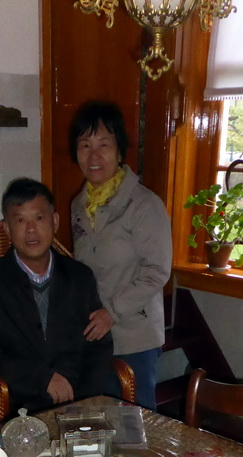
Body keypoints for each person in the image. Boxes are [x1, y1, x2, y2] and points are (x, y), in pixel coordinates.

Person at [0, 177, 113, 414]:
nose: (31, 229)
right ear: (7, 229)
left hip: (79, 400)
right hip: (18, 405)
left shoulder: (80, 277)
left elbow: (99, 346)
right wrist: (42, 378)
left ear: (55, 221)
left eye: (39, 218)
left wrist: (85, 400)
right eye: (20, 220)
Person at [69, 101, 173, 411]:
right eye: (85, 145)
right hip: (93, 337)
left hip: (135, 338)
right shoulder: (78, 205)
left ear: (119, 151)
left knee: (136, 426)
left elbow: (158, 271)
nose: (94, 155)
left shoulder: (143, 204)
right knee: (97, 420)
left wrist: (112, 312)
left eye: (104, 144)